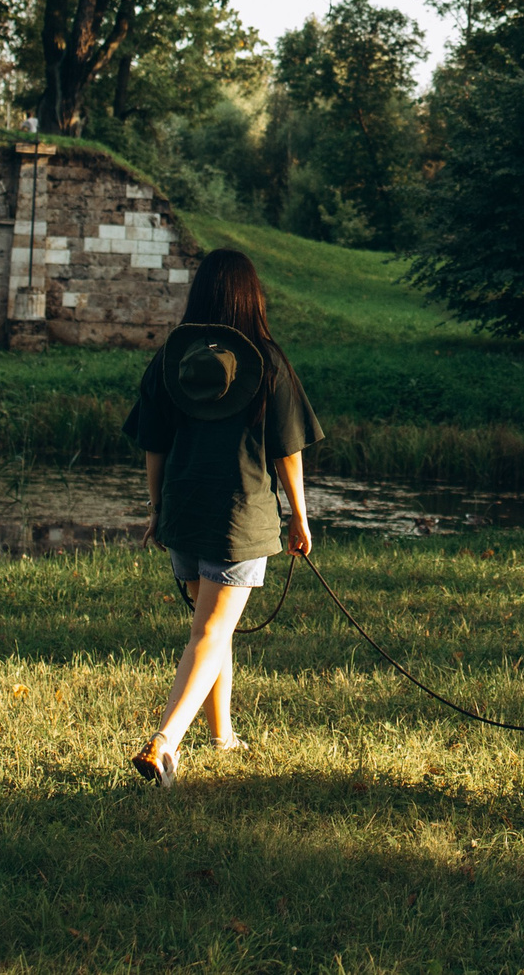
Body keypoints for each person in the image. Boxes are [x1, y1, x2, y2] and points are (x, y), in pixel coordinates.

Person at [123, 249, 320, 784]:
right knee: (210, 631)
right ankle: (165, 743)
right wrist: (300, 519)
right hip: (240, 517)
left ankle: (223, 734)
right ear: (251, 296)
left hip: (184, 512)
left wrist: (158, 509)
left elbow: (154, 445)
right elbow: (288, 451)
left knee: (210, 629)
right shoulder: (268, 360)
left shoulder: (171, 359)